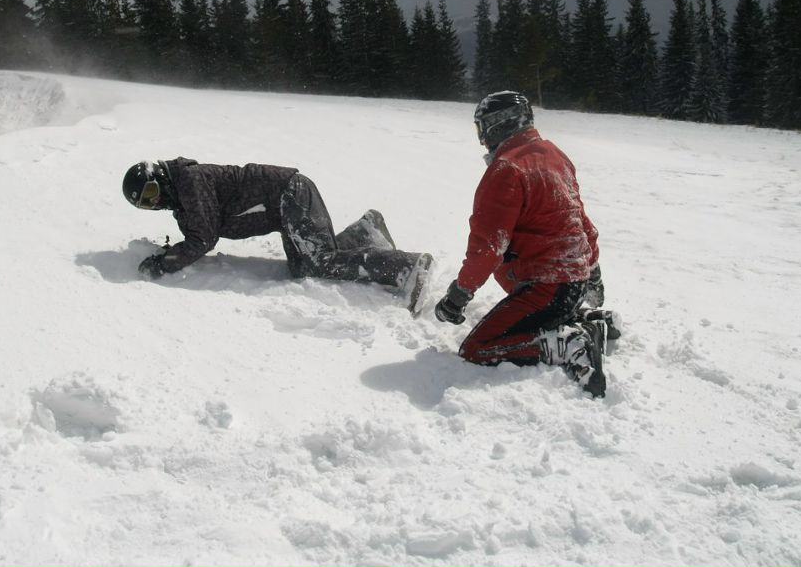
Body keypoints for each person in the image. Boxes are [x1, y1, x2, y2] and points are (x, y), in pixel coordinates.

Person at [431, 91, 619, 397]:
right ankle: (591, 323)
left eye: (482, 130)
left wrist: (458, 295)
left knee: (478, 348)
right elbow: (580, 220)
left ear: (498, 125)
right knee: (536, 317)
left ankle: (568, 345)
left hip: (546, 286)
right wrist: (593, 270)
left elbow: (489, 246)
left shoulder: (507, 169)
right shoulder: (554, 155)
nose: (481, 141)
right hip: (572, 281)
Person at [122, 158, 433, 308]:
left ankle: (406, 268)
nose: (156, 202)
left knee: (318, 262)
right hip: (284, 210)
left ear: (159, 177)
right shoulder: (180, 199)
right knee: (302, 267)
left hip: (289, 195)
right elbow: (199, 232)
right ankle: (368, 231)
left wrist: (164, 264)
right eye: (147, 204)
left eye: (152, 192)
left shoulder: (188, 180)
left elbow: (203, 237)